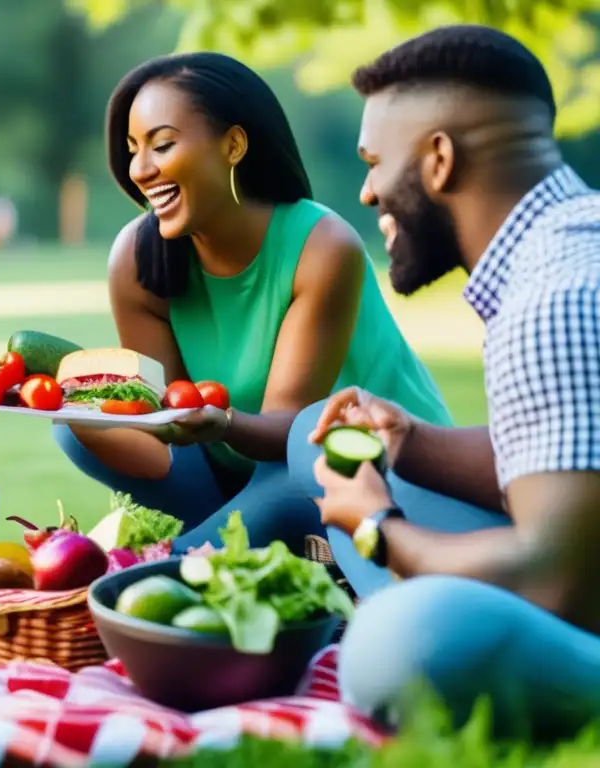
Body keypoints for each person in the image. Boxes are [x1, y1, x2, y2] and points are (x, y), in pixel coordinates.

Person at [287, 25, 600, 740]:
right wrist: (412, 444)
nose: (365, 192)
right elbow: (571, 466)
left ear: (438, 159)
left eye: (374, 163)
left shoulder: (554, 298)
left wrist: (376, 529)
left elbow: (560, 583)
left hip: (577, 595)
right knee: (320, 444)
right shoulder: (565, 247)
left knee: (403, 640)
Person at [54, 51, 452, 553]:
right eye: (133, 148)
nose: (140, 168)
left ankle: (172, 561)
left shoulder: (322, 245)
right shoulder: (137, 259)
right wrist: (75, 408)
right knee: (77, 429)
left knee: (301, 470)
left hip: (359, 467)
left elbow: (290, 435)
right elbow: (161, 428)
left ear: (234, 145)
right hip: (241, 471)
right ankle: (222, 544)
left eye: (162, 145)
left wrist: (222, 423)